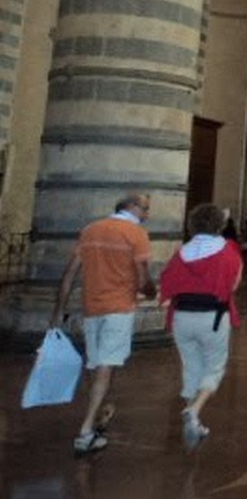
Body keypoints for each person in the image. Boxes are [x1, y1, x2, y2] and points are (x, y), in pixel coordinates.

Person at [50, 193, 157, 455]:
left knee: (97, 363)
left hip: (92, 307)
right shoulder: (136, 234)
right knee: (106, 365)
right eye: (144, 209)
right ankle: (86, 431)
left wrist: (58, 312)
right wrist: (153, 291)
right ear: (130, 207)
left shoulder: (90, 230)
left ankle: (100, 409)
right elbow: (144, 281)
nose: (146, 215)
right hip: (119, 308)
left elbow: (69, 274)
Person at [158, 203, 243, 448]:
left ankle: (193, 419)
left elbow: (167, 281)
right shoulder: (228, 252)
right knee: (214, 367)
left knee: (191, 366)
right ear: (220, 225)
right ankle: (194, 410)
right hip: (213, 317)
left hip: (182, 317)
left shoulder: (182, 252)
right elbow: (233, 285)